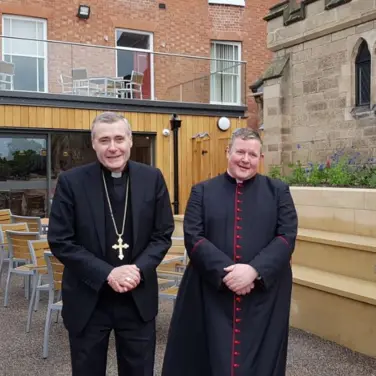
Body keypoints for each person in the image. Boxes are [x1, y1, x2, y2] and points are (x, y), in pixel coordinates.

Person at [162, 127, 298, 376]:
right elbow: (194, 237)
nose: (246, 159)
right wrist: (228, 274)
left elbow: (287, 236)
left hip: (262, 297)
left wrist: (253, 270)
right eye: (240, 152)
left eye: (252, 154)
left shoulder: (278, 191)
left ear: (260, 159)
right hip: (210, 293)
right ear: (228, 152)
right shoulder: (202, 191)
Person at [47, 111, 175, 376]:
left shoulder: (152, 178)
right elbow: (60, 239)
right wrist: (107, 273)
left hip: (137, 298)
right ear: (93, 143)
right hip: (88, 298)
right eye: (104, 140)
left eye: (119, 138)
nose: (113, 147)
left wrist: (137, 270)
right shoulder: (72, 182)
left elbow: (162, 235)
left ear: (130, 141)